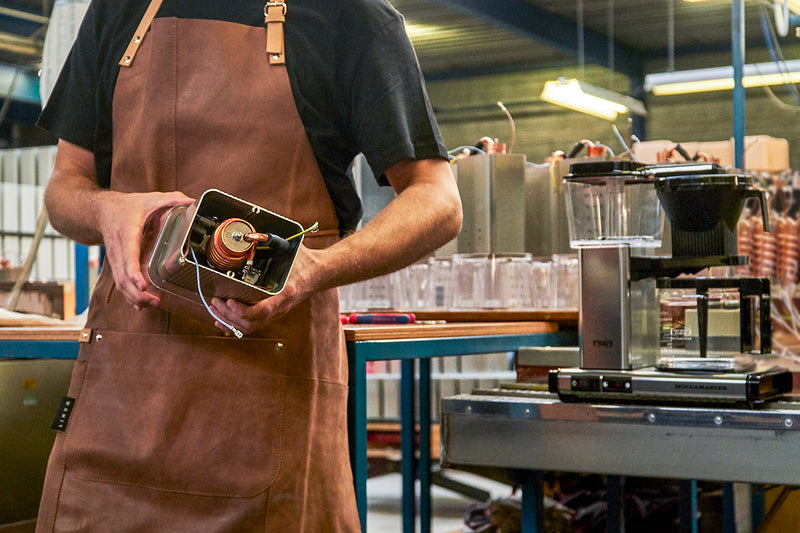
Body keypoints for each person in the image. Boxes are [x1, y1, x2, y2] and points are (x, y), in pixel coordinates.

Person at [35, 0, 462, 531]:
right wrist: (103, 208)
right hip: (122, 394)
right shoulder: (118, 11)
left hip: (268, 389)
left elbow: (438, 200)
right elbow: (65, 187)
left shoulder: (350, 18)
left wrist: (314, 268)